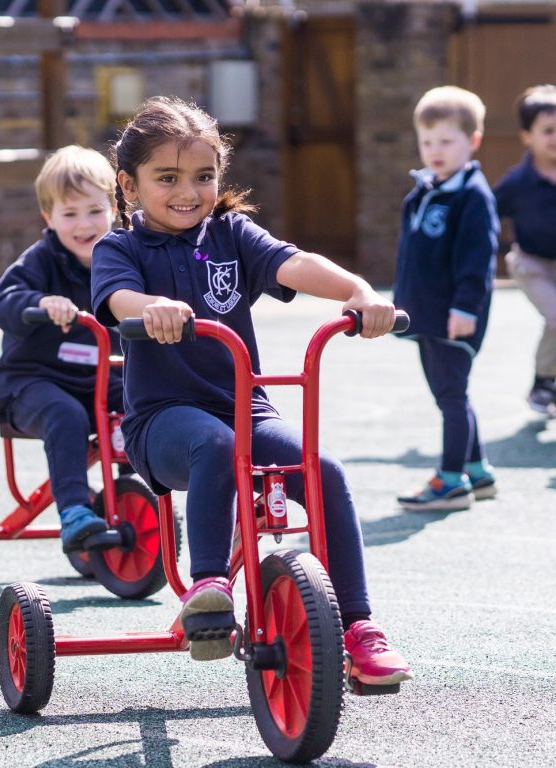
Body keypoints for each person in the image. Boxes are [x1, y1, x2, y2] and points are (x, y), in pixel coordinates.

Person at [90, 95, 413, 684]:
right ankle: (209, 589)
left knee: (324, 469)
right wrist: (154, 307)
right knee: (215, 445)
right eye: (167, 178)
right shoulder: (121, 248)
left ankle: (359, 627)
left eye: (203, 176)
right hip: (162, 422)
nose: (188, 191)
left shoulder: (231, 235)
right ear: (129, 186)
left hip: (248, 410)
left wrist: (358, 291)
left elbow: (294, 263)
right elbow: (117, 300)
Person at [0, 145, 121, 554]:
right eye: (69, 214)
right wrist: (41, 303)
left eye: (95, 211)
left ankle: (138, 493)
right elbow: (3, 301)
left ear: (113, 208)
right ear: (48, 217)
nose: (84, 224)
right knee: (65, 413)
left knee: (146, 399)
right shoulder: (41, 261)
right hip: (30, 384)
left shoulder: (122, 258)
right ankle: (76, 513)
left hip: (98, 380)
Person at [393, 86, 499, 512]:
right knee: (451, 393)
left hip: (453, 316)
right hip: (426, 312)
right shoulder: (426, 189)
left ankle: (451, 480)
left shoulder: (472, 196)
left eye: (446, 141)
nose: (435, 150)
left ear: (472, 141)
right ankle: (477, 470)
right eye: (428, 141)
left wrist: (464, 308)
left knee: (451, 396)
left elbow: (478, 259)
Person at [494, 84, 556, 416]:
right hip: (531, 263)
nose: (555, 137)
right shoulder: (516, 183)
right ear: (526, 137)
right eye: (548, 131)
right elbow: (484, 216)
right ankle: (544, 382)